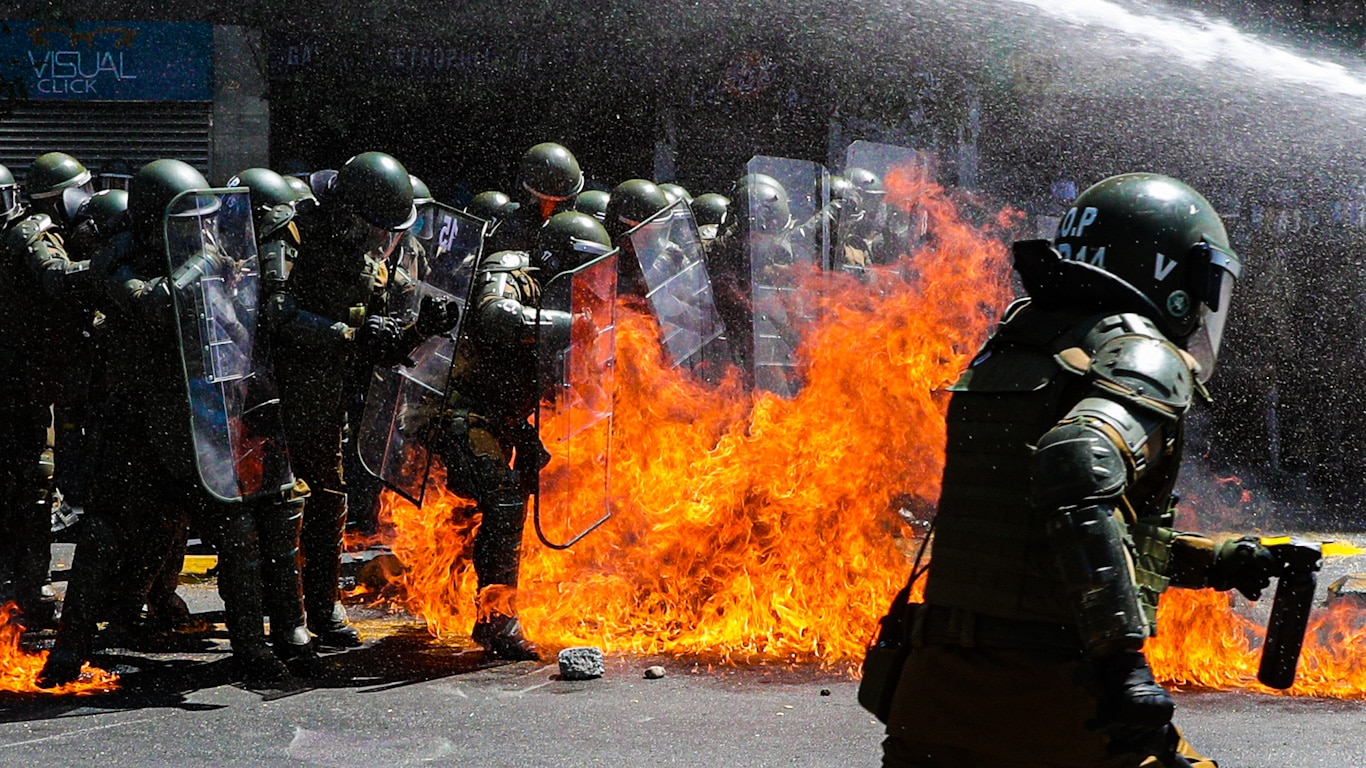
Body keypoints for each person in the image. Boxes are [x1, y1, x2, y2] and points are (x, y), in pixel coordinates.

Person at [879, 173, 1274, 768]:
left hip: (935, 693)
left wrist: (1216, 560)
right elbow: (1078, 466)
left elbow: (1042, 531)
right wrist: (1123, 665)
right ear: (1174, 280)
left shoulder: (1016, 347)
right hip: (1053, 693)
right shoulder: (1141, 354)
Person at [39, 159, 292, 687]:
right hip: (135, 423)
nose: (199, 228)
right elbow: (151, 304)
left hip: (199, 412)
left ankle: (252, 647)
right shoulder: (118, 255)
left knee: (235, 526)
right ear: (157, 219)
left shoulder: (206, 253)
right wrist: (201, 263)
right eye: (187, 218)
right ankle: (68, 651)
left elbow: (236, 322)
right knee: (104, 534)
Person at [431, 211, 613, 660]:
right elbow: (495, 317)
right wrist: (569, 324)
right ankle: (497, 621)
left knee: (516, 496)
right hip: (461, 409)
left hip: (504, 419)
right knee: (504, 500)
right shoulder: (509, 268)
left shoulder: (564, 296)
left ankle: (481, 605)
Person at [274, 151, 415, 648]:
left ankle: (323, 605)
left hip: (330, 396)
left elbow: (377, 320)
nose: (382, 243)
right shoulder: (294, 230)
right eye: (376, 229)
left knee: (330, 497)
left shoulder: (364, 254)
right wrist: (347, 335)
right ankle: (283, 615)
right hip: (276, 394)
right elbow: (274, 312)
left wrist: (419, 327)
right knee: (279, 506)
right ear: (350, 213)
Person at [0, 157, 96, 629]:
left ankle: (24, 586)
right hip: (19, 383)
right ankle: (26, 587)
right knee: (32, 485)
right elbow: (58, 280)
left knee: (32, 485)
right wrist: (106, 267)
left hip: (29, 379)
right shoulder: (30, 233)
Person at [485, 143, 584, 253]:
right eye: (541, 200)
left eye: (553, 202)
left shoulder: (578, 228)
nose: (547, 207)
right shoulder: (510, 220)